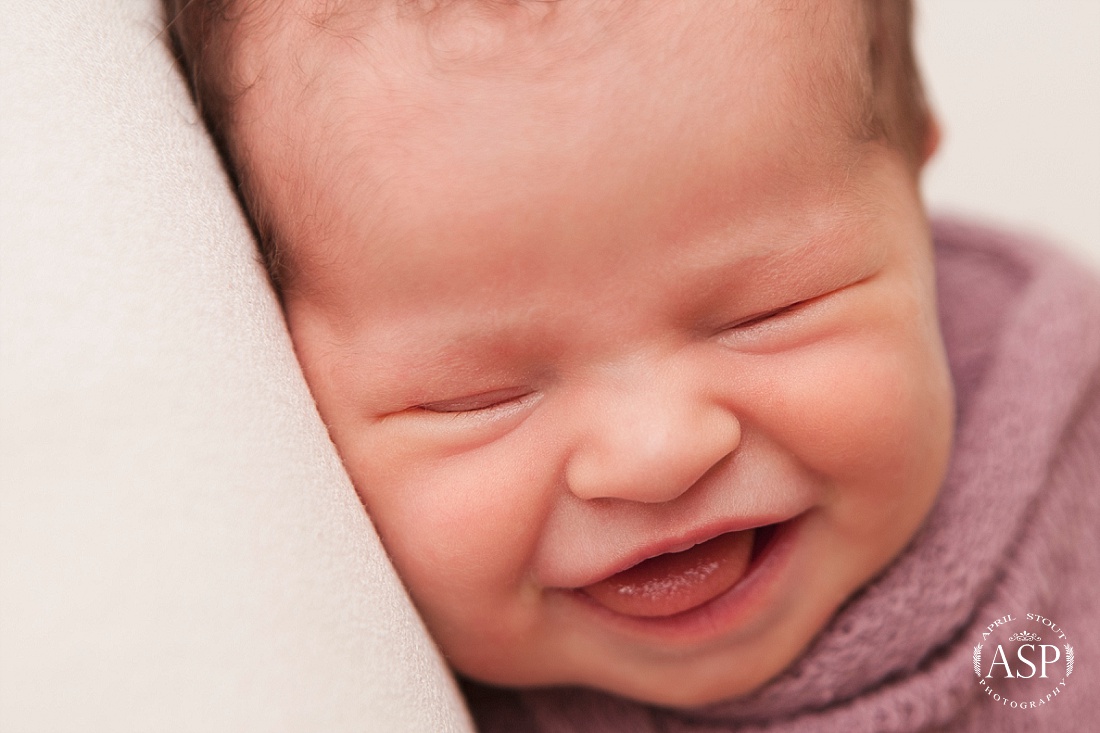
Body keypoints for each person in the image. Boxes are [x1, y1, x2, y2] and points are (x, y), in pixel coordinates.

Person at [164, 1, 1100, 730]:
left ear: (912, 186)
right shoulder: (333, 666)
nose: (656, 453)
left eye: (767, 312)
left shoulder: (1074, 449)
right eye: (478, 397)